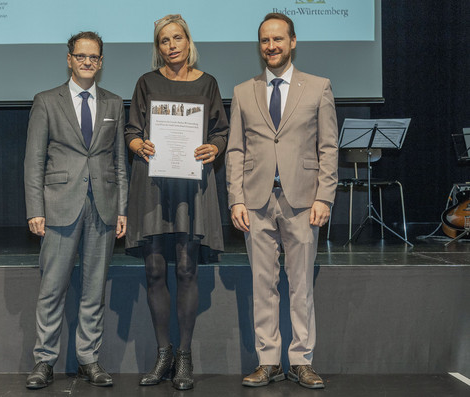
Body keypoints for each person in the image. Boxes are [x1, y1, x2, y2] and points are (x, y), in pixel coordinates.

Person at [225, 13, 338, 390]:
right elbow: (236, 150)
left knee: (301, 285)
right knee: (263, 285)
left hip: (304, 201)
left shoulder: (318, 87)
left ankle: (301, 360)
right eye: (264, 40)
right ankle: (269, 360)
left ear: (292, 42)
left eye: (277, 39)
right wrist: (235, 198)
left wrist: (325, 196)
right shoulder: (243, 91)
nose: (270, 46)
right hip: (256, 202)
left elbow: (328, 147)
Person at [125, 14, 228, 391]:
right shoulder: (146, 83)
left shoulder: (208, 83)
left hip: (192, 186)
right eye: (164, 40)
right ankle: (163, 354)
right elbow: (132, 128)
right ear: (159, 47)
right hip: (152, 184)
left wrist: (212, 148)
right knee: (154, 271)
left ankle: (184, 357)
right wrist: (139, 144)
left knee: (186, 269)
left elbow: (221, 131)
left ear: (188, 42)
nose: (171, 45)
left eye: (177, 38)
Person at [23, 31, 127, 389]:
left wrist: (123, 208)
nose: (87, 62)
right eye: (81, 56)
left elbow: (119, 162)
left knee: (94, 288)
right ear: (69, 59)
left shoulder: (114, 104)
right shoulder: (46, 101)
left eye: (94, 57)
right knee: (52, 288)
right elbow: (34, 161)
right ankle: (44, 361)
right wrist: (35, 208)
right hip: (58, 207)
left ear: (101, 62)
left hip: (103, 206)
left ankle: (89, 359)